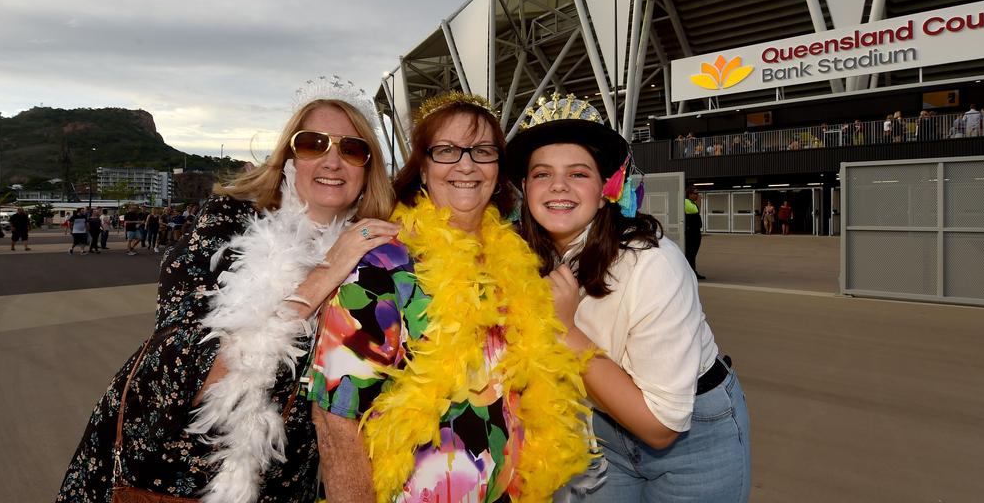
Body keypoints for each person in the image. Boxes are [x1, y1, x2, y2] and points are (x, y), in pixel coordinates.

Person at [58, 79, 397, 503]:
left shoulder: (378, 254)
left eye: (351, 149)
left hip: (288, 483)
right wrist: (324, 277)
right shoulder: (225, 225)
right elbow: (190, 369)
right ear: (290, 157)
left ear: (368, 169)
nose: (332, 160)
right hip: (169, 474)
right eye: (313, 143)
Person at [310, 92, 590, 503]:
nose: (466, 164)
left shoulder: (517, 259)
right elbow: (335, 419)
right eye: (446, 151)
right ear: (422, 169)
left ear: (498, 169)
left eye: (482, 151)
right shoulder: (384, 265)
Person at [506, 93, 751, 501]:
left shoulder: (653, 265)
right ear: (526, 189)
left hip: (691, 436)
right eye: (542, 174)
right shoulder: (526, 257)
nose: (558, 186)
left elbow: (661, 426)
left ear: (607, 188)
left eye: (578, 174)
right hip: (597, 427)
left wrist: (565, 331)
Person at [685, 186, 704, 280]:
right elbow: (696, 211)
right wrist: (699, 201)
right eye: (695, 193)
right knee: (690, 253)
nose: (697, 195)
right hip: (691, 232)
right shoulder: (686, 202)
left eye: (697, 193)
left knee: (693, 254)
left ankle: (693, 271)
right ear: (689, 194)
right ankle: (691, 273)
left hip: (695, 231)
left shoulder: (691, 202)